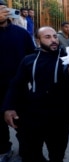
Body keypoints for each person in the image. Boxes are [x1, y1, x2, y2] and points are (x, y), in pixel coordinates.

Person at [3, 26, 69, 162]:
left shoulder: (67, 58)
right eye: (47, 37)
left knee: (57, 154)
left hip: (60, 117)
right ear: (37, 41)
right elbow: (16, 84)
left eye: (54, 36)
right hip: (34, 115)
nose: (53, 40)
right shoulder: (28, 60)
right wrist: (8, 107)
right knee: (31, 153)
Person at [0, 1, 35, 161]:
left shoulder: (21, 33)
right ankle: (4, 149)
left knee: (23, 123)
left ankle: (26, 150)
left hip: (18, 87)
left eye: (2, 9)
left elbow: (32, 57)